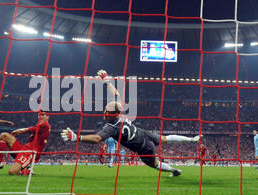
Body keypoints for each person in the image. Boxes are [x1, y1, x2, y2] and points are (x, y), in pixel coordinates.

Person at [60, 70, 201, 177]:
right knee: (165, 138)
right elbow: (117, 95)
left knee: (155, 164)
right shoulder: (119, 112)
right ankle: (191, 139)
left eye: (106, 110)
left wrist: (76, 138)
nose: (104, 111)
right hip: (144, 134)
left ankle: (173, 170)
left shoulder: (111, 128)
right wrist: (107, 82)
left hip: (143, 148)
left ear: (111, 114)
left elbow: (97, 138)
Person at [0, 111, 51, 175]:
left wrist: (19, 131)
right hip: (24, 148)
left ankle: (28, 171)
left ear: (48, 116)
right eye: (39, 115)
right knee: (4, 136)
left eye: (42, 115)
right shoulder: (40, 126)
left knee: (12, 172)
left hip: (30, 153)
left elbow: (28, 129)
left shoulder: (45, 125)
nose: (40, 117)